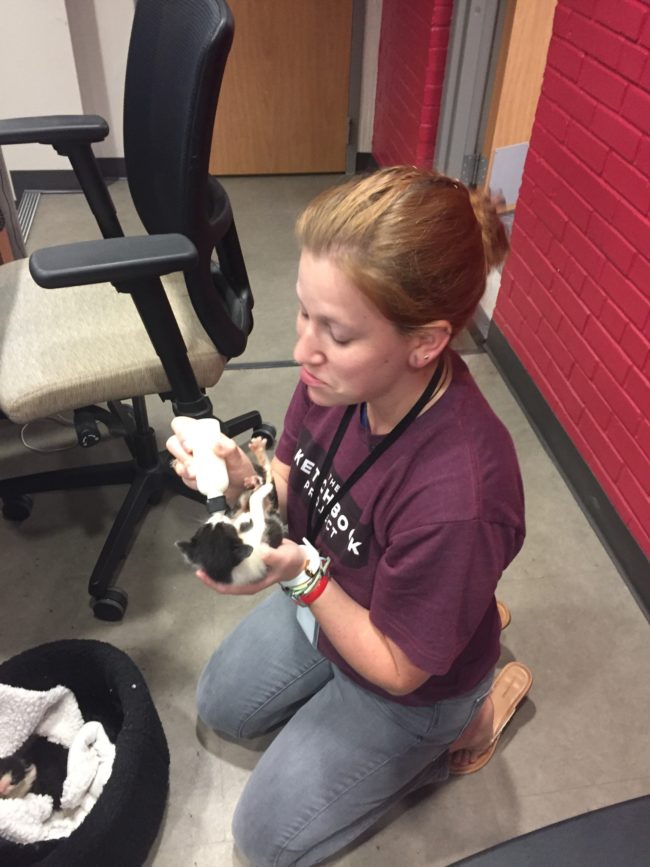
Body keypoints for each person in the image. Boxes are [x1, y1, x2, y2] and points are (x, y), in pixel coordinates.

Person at [167, 166, 530, 867]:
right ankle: (452, 605)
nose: (303, 349)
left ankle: (472, 710)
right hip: (346, 588)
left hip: (405, 675)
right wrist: (242, 481)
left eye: (334, 331)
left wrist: (301, 571)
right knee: (222, 704)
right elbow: (288, 489)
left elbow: (396, 669)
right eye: (305, 313)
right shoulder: (336, 380)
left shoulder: (461, 494)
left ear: (425, 343)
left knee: (264, 839)